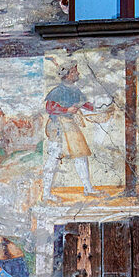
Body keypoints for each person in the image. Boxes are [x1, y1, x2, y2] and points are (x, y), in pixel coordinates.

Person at [42, 63, 99, 200]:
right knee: (54, 158)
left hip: (70, 124)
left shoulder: (75, 90)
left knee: (81, 155)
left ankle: (88, 188)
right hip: (57, 126)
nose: (78, 73)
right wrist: (66, 110)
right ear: (67, 75)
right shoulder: (57, 91)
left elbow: (86, 105)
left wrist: (101, 105)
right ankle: (46, 193)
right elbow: (49, 108)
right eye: (74, 71)